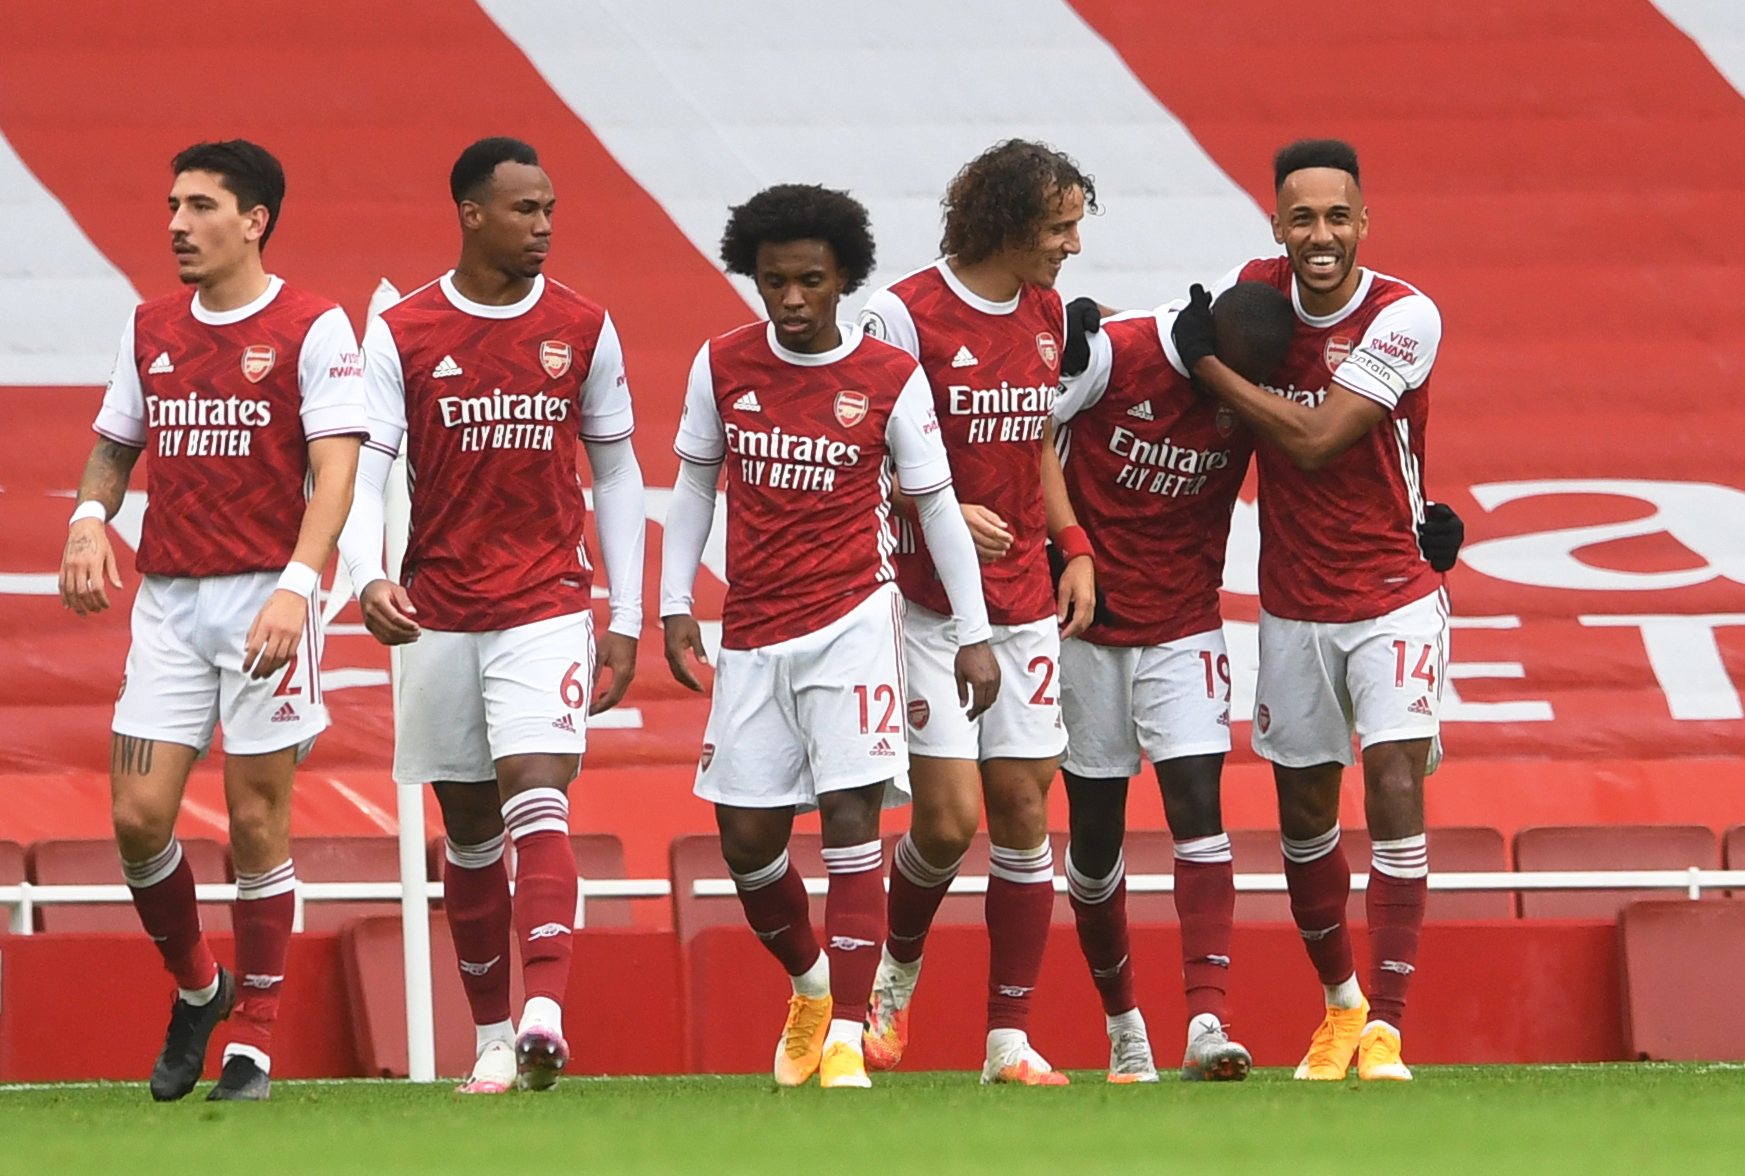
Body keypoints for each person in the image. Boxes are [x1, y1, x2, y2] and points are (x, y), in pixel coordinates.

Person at [661, 183, 997, 1090]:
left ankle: (848, 1032)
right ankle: (813, 984)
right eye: (774, 282)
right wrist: (672, 602)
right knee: (745, 840)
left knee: (852, 816)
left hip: (854, 618)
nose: (792, 300)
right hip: (752, 629)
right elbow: (694, 488)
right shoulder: (722, 364)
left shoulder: (888, 376)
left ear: (844, 277)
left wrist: (972, 633)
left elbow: (933, 503)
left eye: (810, 280)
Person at [335, 137, 646, 1094]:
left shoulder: (584, 326)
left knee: (536, 790)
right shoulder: (404, 329)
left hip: (546, 599)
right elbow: (366, 466)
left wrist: (625, 613)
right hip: (438, 609)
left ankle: (546, 1009)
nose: (544, 226)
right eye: (524, 210)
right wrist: (365, 572)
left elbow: (617, 470)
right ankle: (493, 1038)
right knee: (468, 829)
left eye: (550, 208)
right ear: (472, 214)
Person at [58, 140, 366, 1102]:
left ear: (254, 219)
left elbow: (339, 470)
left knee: (254, 816)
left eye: (198, 206)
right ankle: (202, 987)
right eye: (172, 205)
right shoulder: (150, 326)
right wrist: (85, 520)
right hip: (172, 600)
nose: (176, 224)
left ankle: (257, 1041)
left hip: (268, 597)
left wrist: (298, 585)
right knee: (137, 818)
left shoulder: (314, 326)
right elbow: (115, 444)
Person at [1172, 138, 1447, 1082]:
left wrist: (1211, 373)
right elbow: (1172, 335)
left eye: (1337, 216)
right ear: (1278, 224)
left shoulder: (1405, 313)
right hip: (1291, 601)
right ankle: (1341, 1008)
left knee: (1397, 788)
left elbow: (1324, 437)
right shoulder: (1247, 293)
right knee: (1301, 815)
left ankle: (1389, 1030)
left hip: (1389, 593)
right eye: (1301, 217)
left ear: (1363, 222)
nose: (1320, 235)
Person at [856, 140, 1098, 1085]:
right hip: (925, 603)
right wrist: (937, 504)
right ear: (1001, 223)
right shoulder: (903, 313)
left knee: (1025, 808)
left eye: (1076, 223)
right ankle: (893, 979)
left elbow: (1032, 441)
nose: (1073, 246)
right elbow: (856, 440)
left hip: (1025, 600)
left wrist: (1071, 544)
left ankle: (1007, 1040)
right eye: (1057, 227)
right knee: (949, 822)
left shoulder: (1041, 312)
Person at [1052, 282, 1295, 1081]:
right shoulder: (1116, 354)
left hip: (1185, 624)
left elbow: (1328, 455)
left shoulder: (1254, 385)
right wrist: (1067, 545)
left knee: (1198, 809)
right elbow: (1020, 439)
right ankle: (1124, 1026)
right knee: (1094, 838)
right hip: (1085, 627)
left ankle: (1205, 1020)